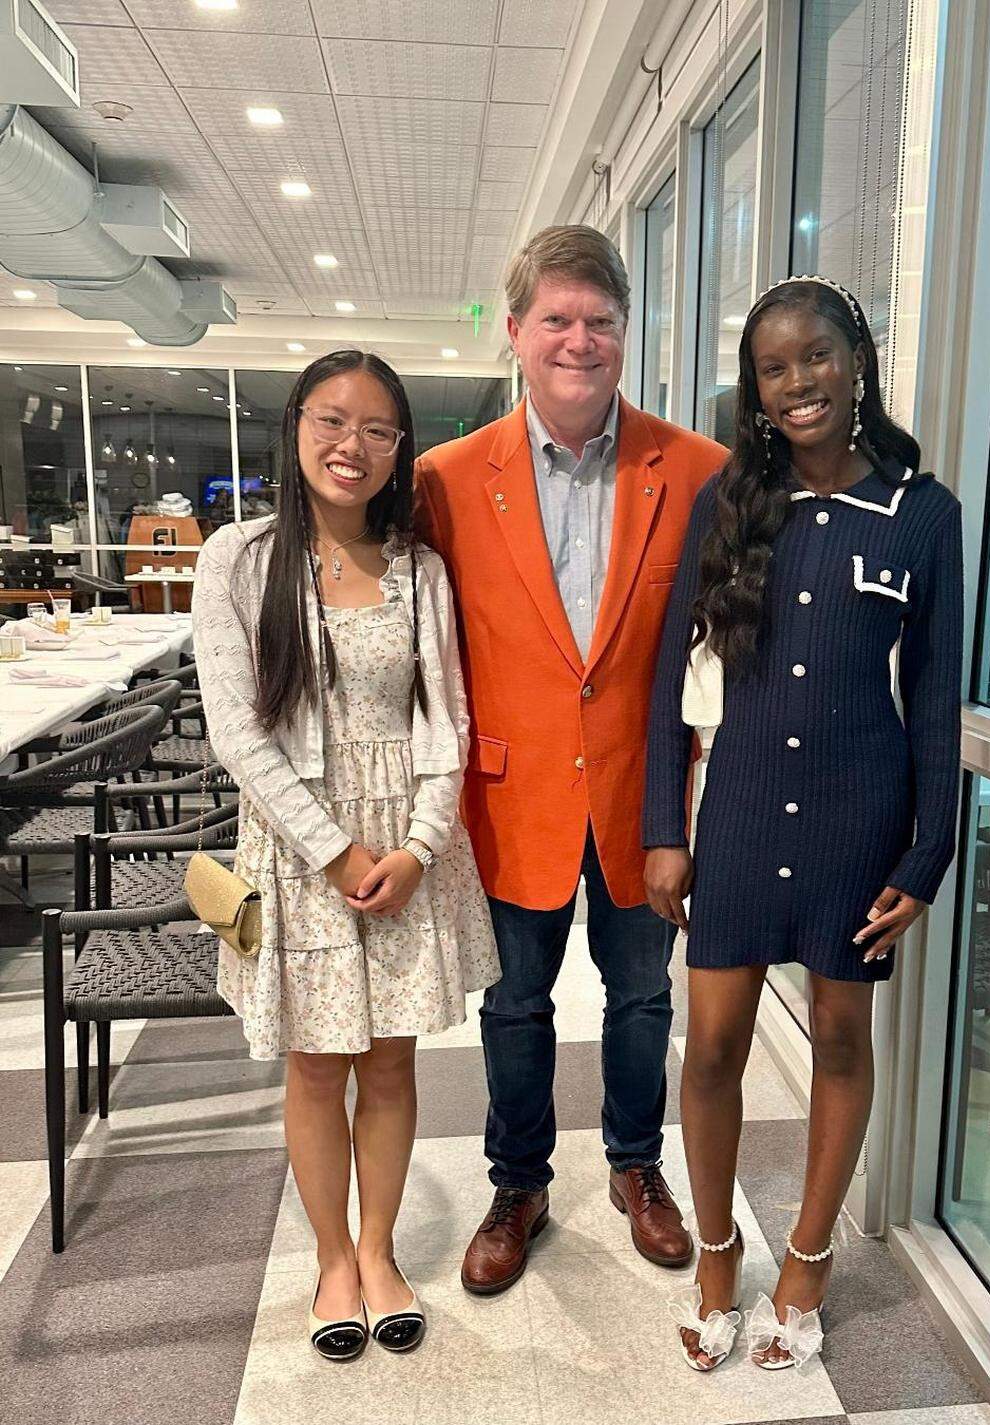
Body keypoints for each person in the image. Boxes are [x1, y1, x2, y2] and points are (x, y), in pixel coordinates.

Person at [644, 276, 963, 1372]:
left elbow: (933, 695)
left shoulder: (922, 514)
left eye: (815, 357)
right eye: (774, 369)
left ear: (856, 358)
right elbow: (662, 688)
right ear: (758, 390)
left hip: (857, 819)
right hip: (733, 812)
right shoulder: (730, 503)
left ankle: (808, 1262)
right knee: (715, 1047)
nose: (798, 383)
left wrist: (927, 858)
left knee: (838, 1037)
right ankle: (720, 1257)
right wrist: (662, 828)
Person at [416, 226, 727, 1294]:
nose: (579, 340)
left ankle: (638, 1169)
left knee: (643, 1000)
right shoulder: (447, 481)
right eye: (557, 319)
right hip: (510, 797)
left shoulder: (696, 472)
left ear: (625, 335)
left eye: (600, 322)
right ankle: (519, 1183)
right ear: (515, 332)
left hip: (646, 797)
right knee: (514, 1006)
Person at [194, 349, 499, 1361]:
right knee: (318, 1066)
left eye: (377, 429)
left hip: (405, 847)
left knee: (394, 1061)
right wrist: (332, 851)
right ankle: (332, 1260)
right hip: (296, 850)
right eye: (332, 421)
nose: (351, 446)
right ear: (296, 427)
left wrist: (416, 848)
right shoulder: (239, 559)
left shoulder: (421, 567)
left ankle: (380, 1252)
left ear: (398, 448)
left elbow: (448, 719)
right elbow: (237, 734)